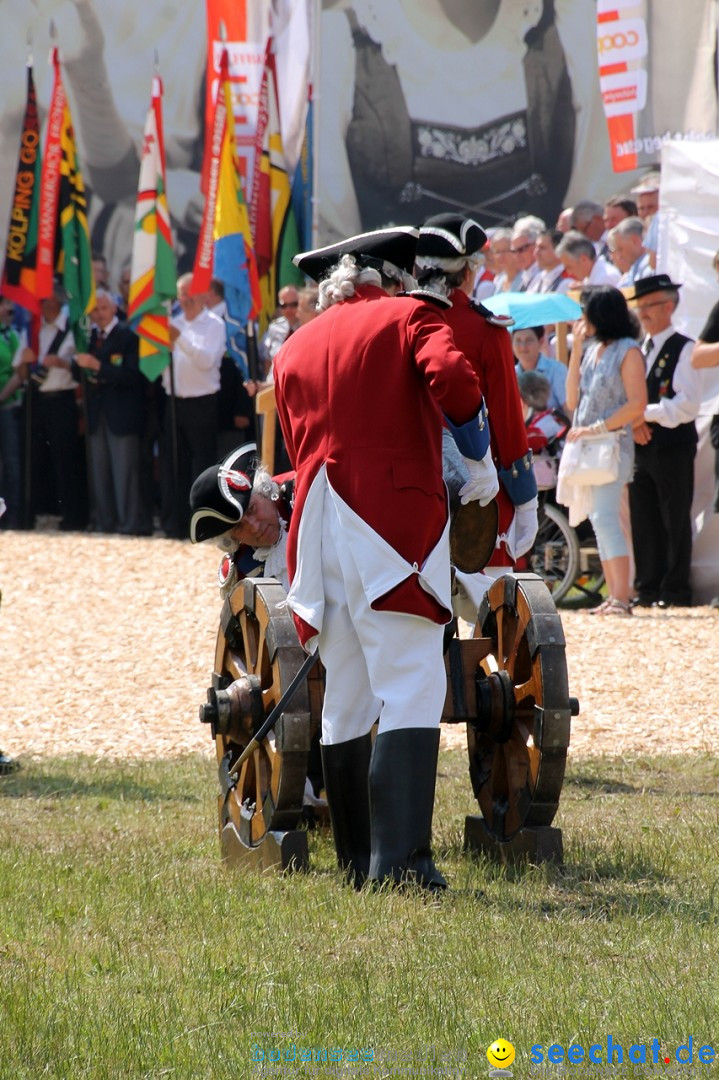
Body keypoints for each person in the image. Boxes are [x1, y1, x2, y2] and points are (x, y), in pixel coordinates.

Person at [273, 226, 498, 890]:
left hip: (318, 525)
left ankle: (357, 864)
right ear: (392, 279)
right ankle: (399, 864)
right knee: (410, 682)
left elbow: (295, 442)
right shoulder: (410, 315)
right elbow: (455, 381)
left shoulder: (293, 346)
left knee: (344, 692)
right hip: (388, 518)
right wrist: (480, 458)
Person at [415, 212, 538, 614]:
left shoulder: (397, 321)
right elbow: (505, 420)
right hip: (475, 487)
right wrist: (525, 497)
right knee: (493, 613)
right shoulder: (487, 328)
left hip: (409, 483)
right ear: (468, 271)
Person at [562, 286, 647, 616]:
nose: (582, 320)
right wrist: (576, 350)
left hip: (612, 447)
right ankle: (615, 597)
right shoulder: (593, 350)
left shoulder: (628, 350)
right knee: (600, 519)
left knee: (607, 519)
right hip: (591, 447)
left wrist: (597, 428)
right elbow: (572, 400)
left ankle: (622, 599)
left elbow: (637, 404)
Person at [628, 275, 702, 608]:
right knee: (643, 517)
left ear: (668, 307)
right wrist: (635, 422)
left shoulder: (684, 348)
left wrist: (645, 414)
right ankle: (648, 587)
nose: (642, 312)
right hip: (641, 445)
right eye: (639, 306)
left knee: (674, 516)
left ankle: (675, 590)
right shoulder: (638, 349)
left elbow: (687, 405)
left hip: (672, 445)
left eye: (648, 305)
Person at [71, 289, 145, 534]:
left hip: (121, 414)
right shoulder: (89, 337)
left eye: (104, 309)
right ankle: (104, 522)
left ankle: (128, 525)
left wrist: (98, 366)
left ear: (114, 308)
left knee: (124, 473)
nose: (99, 314)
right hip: (96, 414)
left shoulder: (128, 335)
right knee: (99, 471)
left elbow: (132, 375)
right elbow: (78, 374)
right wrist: (79, 364)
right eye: (95, 310)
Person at [161, 273, 225, 538]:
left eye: (189, 293)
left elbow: (206, 361)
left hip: (202, 403)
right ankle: (174, 524)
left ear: (202, 294)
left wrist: (181, 340)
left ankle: (203, 526)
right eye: (181, 294)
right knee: (174, 465)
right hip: (174, 402)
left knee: (202, 465)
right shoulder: (172, 322)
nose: (184, 299)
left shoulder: (214, 324)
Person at [25, 283, 87, 531]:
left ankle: (73, 518)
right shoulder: (35, 329)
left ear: (56, 303)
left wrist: (63, 363)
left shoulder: (71, 329)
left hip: (63, 399)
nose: (44, 306)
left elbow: (81, 367)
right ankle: (34, 514)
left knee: (65, 461)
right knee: (36, 459)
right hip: (38, 400)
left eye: (47, 301)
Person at [0, 295, 27, 529]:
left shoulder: (11, 335)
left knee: (10, 461)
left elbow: (20, 371)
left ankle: (13, 515)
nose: (9, 308)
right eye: (4, 304)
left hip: (6, 405)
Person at [512, 325, 568, 412]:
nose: (523, 346)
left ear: (541, 341)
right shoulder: (510, 375)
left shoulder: (557, 370)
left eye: (528, 340)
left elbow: (568, 408)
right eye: (518, 341)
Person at [556, 231, 621, 287]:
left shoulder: (606, 277)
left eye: (569, 267)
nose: (569, 273)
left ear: (583, 259)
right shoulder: (591, 277)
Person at [607, 217, 651, 288]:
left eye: (620, 249)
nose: (619, 256)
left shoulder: (649, 266)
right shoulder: (634, 268)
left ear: (635, 240)